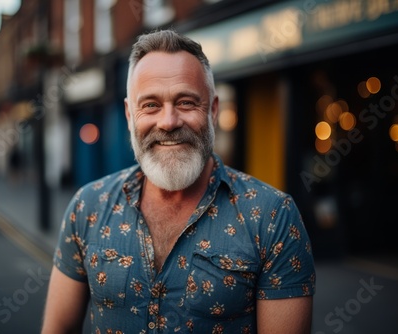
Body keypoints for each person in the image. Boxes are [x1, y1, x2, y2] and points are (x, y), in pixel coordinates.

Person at [42, 30, 315, 334]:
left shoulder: (272, 216)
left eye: (185, 102)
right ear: (130, 115)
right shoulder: (87, 206)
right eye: (150, 105)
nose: (168, 122)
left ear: (213, 110)